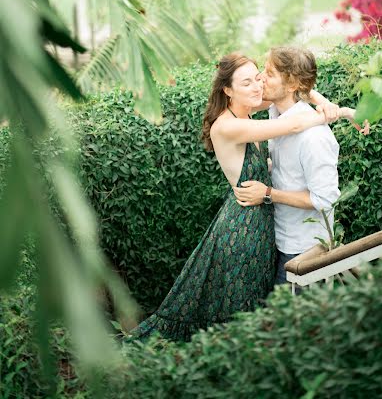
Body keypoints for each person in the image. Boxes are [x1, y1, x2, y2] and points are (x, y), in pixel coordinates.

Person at [131, 52, 358, 342]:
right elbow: (293, 124)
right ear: (227, 89)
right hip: (243, 230)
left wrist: (326, 103)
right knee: (241, 312)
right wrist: (338, 112)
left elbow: (292, 90)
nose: (258, 84)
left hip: (263, 227)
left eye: (260, 76)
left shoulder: (249, 107)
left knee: (257, 311)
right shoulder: (228, 125)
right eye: (248, 81)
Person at [234, 46, 369, 285]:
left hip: (304, 250)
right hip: (279, 238)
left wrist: (267, 194)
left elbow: (323, 200)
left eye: (270, 73)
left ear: (292, 84)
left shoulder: (314, 137)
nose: (261, 78)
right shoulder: (276, 111)